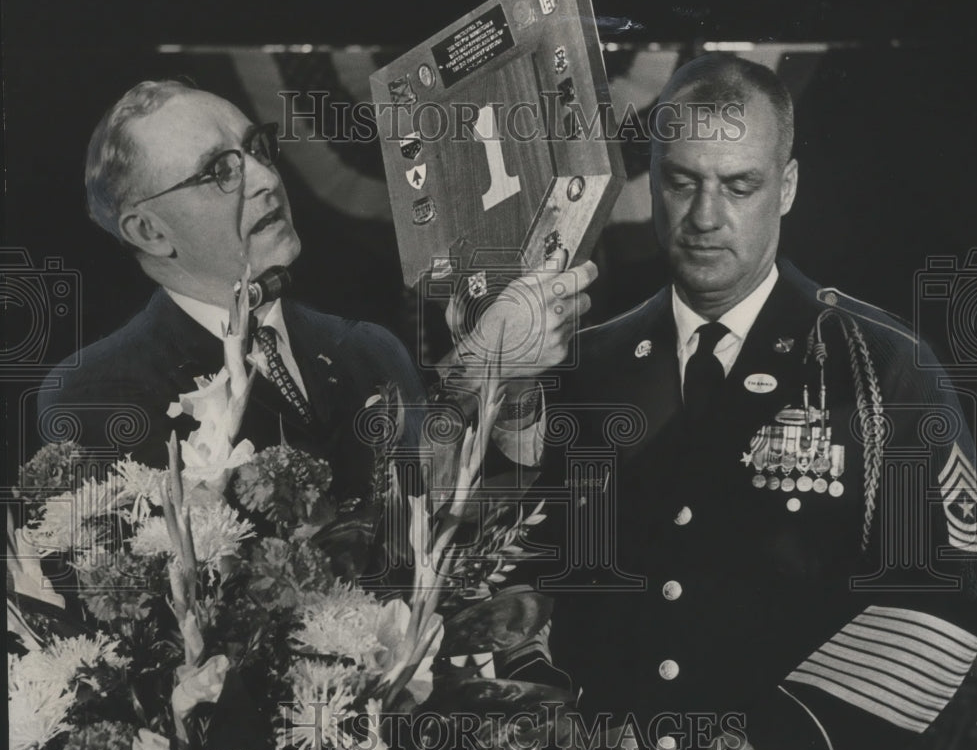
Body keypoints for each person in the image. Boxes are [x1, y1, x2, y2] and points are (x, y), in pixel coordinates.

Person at [541, 54, 977, 750]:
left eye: (739, 185)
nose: (705, 216)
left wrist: (782, 746)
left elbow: (943, 596)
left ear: (785, 187)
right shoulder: (587, 366)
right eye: (682, 182)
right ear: (652, 178)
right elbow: (528, 584)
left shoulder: (883, 368)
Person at [38, 80, 594, 502]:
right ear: (150, 232)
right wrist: (478, 367)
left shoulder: (368, 348)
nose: (264, 179)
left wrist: (512, 384)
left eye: (256, 148)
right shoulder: (95, 394)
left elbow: (455, 513)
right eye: (219, 170)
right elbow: (260, 591)